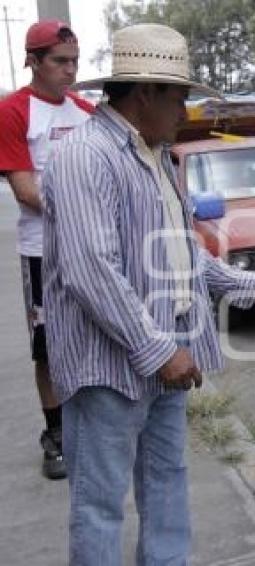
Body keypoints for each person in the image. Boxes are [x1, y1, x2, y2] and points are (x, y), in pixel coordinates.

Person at [41, 23, 255, 564]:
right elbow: (91, 271)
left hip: (166, 348)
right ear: (145, 93)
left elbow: (183, 255)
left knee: (167, 480)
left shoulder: (156, 155)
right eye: (179, 98)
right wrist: (158, 351)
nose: (185, 112)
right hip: (110, 362)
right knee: (100, 503)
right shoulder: (87, 156)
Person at [0, 20, 93, 480]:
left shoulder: (85, 111)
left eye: (75, 61)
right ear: (33, 61)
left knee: (95, 335)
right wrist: (82, 206)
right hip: (42, 251)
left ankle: (90, 427)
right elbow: (24, 189)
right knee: (49, 348)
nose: (71, 71)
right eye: (60, 61)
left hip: (90, 247)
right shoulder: (14, 111)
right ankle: (55, 434)